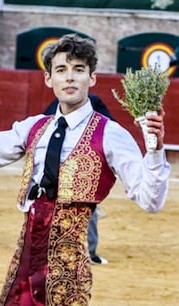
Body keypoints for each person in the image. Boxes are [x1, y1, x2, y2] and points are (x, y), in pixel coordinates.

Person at [0, 34, 171, 305]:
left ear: (92, 78)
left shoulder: (111, 134)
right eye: (61, 70)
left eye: (78, 70)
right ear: (49, 79)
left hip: (69, 269)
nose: (70, 78)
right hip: (24, 262)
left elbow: (151, 201)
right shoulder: (34, 127)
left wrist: (155, 153)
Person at [44, 93, 113, 265]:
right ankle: (89, 252)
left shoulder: (59, 102)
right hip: (77, 164)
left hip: (53, 162)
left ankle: (51, 248)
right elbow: (110, 126)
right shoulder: (93, 102)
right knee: (86, 205)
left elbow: (44, 124)